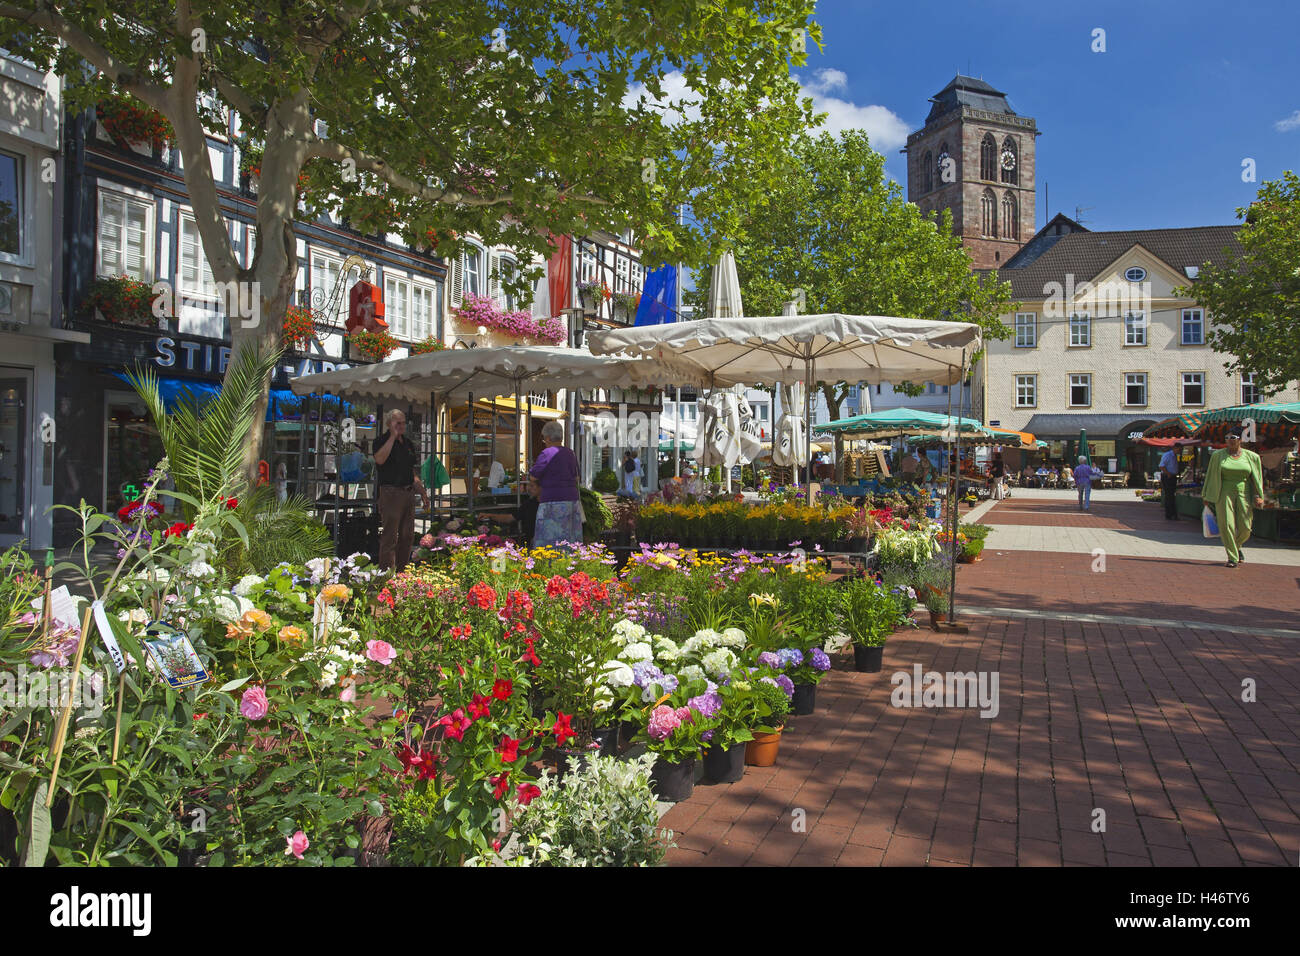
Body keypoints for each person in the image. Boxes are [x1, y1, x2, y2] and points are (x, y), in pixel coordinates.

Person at [372, 409, 430, 571]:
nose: (402, 426)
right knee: (390, 536)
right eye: (398, 423)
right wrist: (392, 437)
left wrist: (423, 493)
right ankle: (386, 573)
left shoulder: (408, 443)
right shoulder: (380, 441)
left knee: (407, 535)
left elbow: (411, 472)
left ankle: (402, 571)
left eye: (404, 422)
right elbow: (380, 460)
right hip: (391, 493)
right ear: (389, 424)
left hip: (408, 492)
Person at [1202, 425, 1264, 568]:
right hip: (1223, 493)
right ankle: (1232, 557)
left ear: (1240, 439)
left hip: (1244, 493)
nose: (1229, 440)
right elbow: (1210, 476)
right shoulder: (1218, 456)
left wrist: (1258, 495)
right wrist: (1206, 494)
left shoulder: (1252, 457)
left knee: (1245, 527)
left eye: (1233, 437)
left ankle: (1236, 546)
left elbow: (1257, 478)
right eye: (1227, 437)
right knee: (1227, 525)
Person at [531, 420, 582, 547]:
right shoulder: (570, 453)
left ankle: (551, 565)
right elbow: (576, 478)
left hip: (552, 501)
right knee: (570, 540)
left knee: (550, 541)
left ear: (548, 438)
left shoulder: (546, 453)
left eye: (544, 439)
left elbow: (533, 476)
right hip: (572, 501)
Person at [1158, 446, 1181, 521]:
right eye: (1179, 449)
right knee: (1169, 495)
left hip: (1172, 476)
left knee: (1171, 496)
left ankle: (1172, 514)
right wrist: (1168, 474)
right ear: (1175, 448)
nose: (1180, 451)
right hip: (1168, 477)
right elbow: (1161, 466)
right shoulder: (1168, 455)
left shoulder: (1174, 456)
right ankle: (1169, 514)